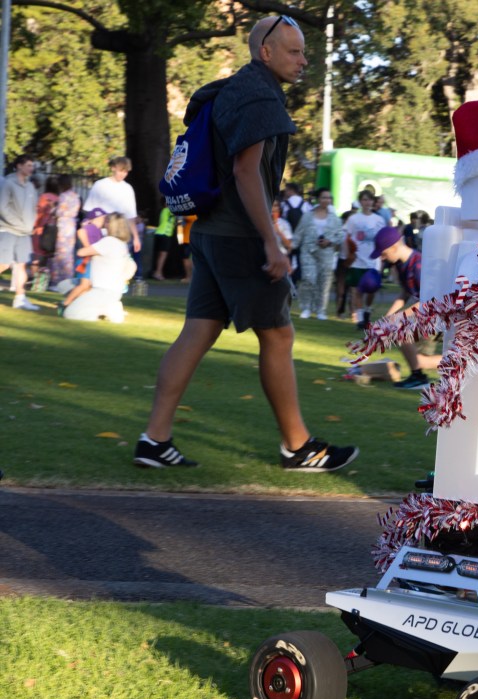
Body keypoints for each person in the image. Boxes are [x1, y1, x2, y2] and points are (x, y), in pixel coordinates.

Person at [134, 15, 357, 473]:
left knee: (198, 330)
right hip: (239, 236)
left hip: (209, 232)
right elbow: (245, 171)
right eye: (294, 51)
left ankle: (154, 440)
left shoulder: (228, 89)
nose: (303, 60)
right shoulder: (258, 95)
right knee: (278, 334)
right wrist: (272, 242)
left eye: (303, 51)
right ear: (265, 52)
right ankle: (298, 446)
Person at [373, 225, 441, 389]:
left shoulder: (418, 265)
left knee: (419, 359)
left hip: (438, 316)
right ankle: (418, 374)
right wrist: (388, 317)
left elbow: (427, 301)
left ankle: (463, 362)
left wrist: (398, 317)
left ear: (394, 247)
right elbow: (405, 293)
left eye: (383, 253)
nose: (382, 258)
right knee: (412, 352)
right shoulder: (401, 264)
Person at [60, 213, 137, 323]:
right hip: (113, 290)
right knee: (65, 286)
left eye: (106, 222)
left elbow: (81, 252)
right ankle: (109, 306)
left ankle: (101, 310)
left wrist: (86, 242)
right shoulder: (121, 244)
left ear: (110, 225)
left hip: (102, 290)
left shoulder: (109, 241)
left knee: (70, 313)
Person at [292, 187, 342, 319]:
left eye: (329, 198)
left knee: (324, 282)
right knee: (308, 278)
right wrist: (290, 248)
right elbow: (298, 234)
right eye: (324, 197)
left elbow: (340, 236)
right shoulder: (307, 216)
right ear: (318, 199)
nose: (326, 200)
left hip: (326, 253)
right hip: (308, 251)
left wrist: (329, 241)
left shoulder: (334, 218)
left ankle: (321, 310)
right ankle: (306, 308)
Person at [0, 155, 39, 310]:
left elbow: (34, 208)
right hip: (8, 230)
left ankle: (20, 299)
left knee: (21, 265)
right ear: (19, 166)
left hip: (24, 233)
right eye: (28, 165)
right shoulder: (8, 183)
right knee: (3, 264)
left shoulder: (30, 187)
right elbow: (2, 207)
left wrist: (31, 224)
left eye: (32, 165)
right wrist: (16, 223)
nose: (31, 168)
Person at [82, 156, 141, 255]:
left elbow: (131, 216)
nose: (123, 174)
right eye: (121, 171)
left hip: (120, 233)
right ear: (113, 168)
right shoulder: (100, 185)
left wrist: (136, 237)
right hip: (102, 231)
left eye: (126, 172)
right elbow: (89, 210)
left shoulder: (128, 189)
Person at [343, 190, 386, 328]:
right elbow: (347, 236)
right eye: (364, 200)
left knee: (372, 288)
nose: (367, 202)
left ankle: (367, 310)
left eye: (369, 200)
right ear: (360, 201)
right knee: (357, 289)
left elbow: (382, 239)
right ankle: (360, 318)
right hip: (357, 259)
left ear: (373, 201)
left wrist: (382, 255)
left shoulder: (379, 220)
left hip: (373, 259)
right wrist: (349, 253)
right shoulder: (354, 219)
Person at [48, 175, 81, 288]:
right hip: (71, 226)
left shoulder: (63, 196)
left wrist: (52, 208)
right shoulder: (75, 196)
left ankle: (57, 280)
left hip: (62, 225)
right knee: (68, 254)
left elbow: (59, 212)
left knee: (59, 254)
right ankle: (68, 279)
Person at [150, 204, 176, 280]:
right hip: (165, 234)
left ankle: (158, 272)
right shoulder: (168, 210)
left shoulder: (164, 210)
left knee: (160, 254)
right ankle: (158, 273)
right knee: (163, 255)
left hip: (160, 233)